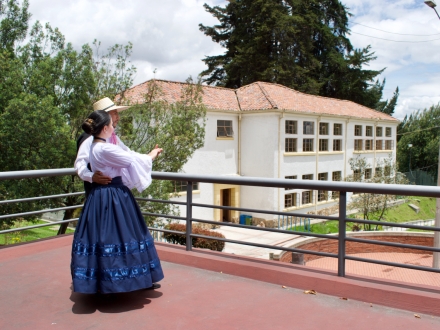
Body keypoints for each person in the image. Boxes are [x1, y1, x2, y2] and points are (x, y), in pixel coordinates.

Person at [71, 110, 164, 294]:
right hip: (111, 195)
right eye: (114, 117)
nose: (117, 120)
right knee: (123, 235)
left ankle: (114, 280)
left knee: (111, 237)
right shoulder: (95, 143)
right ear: (105, 125)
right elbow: (130, 159)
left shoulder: (103, 142)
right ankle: (120, 281)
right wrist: (152, 155)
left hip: (104, 195)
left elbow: (127, 153)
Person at [75, 97, 135, 197]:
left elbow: (126, 152)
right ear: (105, 116)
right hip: (99, 194)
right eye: (115, 113)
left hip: (113, 192)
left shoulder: (112, 137)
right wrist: (91, 177)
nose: (118, 117)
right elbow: (80, 163)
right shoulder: (90, 138)